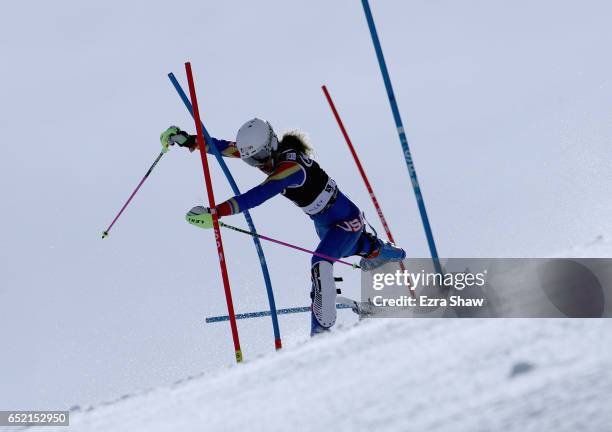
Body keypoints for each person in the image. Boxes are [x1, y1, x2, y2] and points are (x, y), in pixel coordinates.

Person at [160, 119, 406, 335]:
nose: (258, 164)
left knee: (320, 261)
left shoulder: (290, 167)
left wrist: (216, 212)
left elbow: (260, 194)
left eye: (259, 157)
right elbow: (224, 147)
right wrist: (187, 139)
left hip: (346, 220)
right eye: (250, 160)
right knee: (353, 248)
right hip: (324, 223)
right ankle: (379, 251)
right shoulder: (267, 153)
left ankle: (321, 333)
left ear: (272, 145)